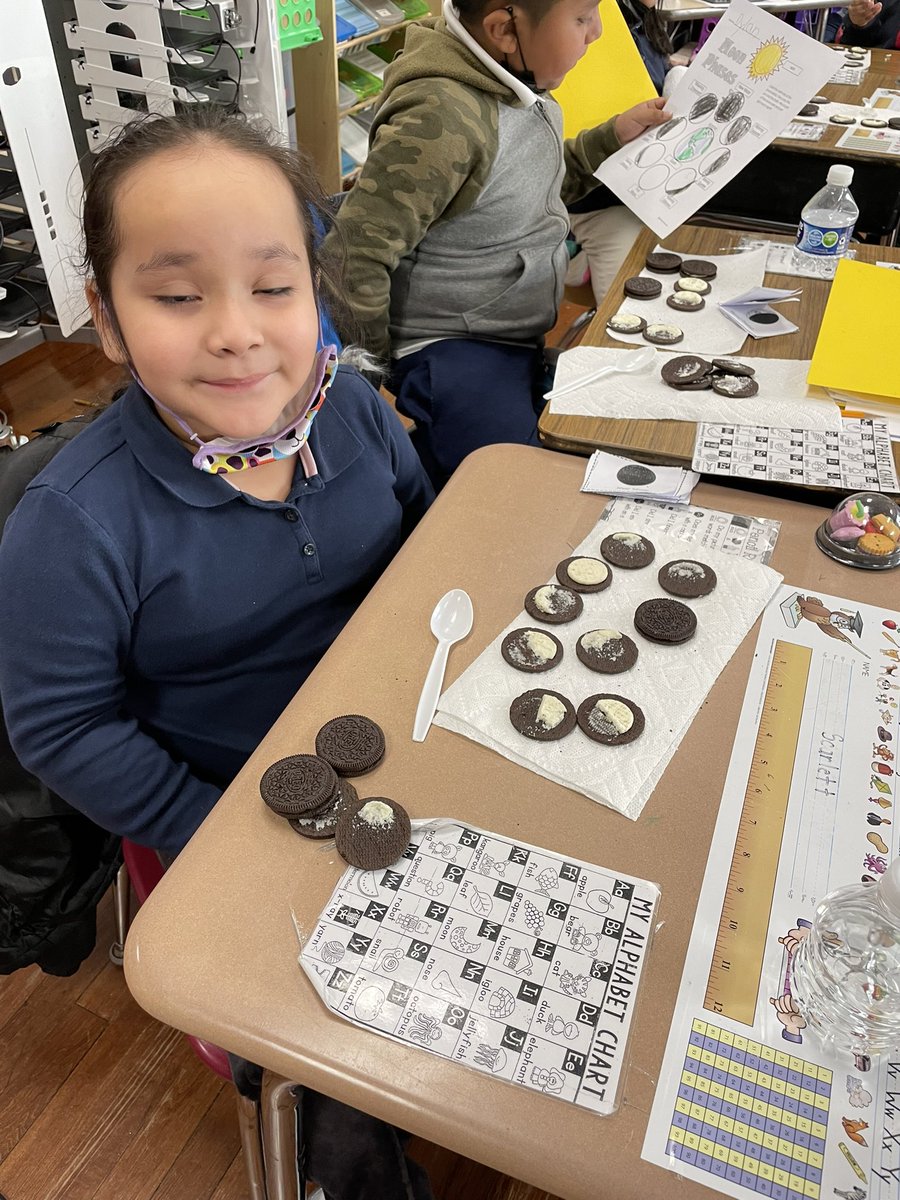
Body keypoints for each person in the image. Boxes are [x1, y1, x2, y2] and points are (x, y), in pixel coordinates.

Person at [0, 106, 434, 1200]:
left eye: (274, 286)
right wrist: (214, 831)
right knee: (322, 1054)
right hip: (222, 803)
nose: (238, 332)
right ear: (106, 319)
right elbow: (60, 725)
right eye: (180, 296)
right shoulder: (76, 523)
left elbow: (428, 541)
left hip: (405, 742)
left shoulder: (353, 416)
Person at [328, 0, 669, 488]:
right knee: (508, 487)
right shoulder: (442, 118)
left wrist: (611, 137)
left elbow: (532, 184)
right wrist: (369, 380)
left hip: (507, 332)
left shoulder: (517, 85)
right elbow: (354, 253)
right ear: (504, 29)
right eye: (581, 18)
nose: (595, 33)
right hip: (451, 346)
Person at [566, 0, 686, 306]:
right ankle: (574, 254)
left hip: (651, 191)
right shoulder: (593, 21)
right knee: (627, 311)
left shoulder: (644, 22)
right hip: (603, 202)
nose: (591, 31)